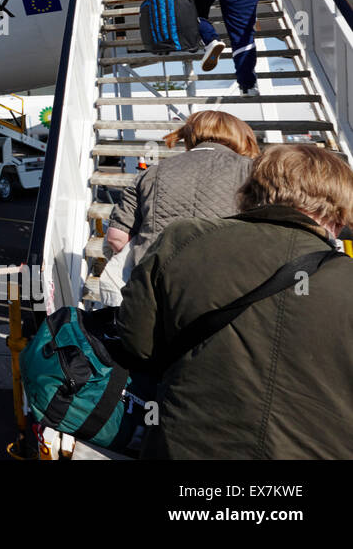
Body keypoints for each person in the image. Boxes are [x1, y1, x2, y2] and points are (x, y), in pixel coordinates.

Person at [117, 143, 353, 459]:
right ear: (337, 211)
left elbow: (137, 343)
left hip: (185, 448)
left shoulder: (184, 239)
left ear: (251, 190)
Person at [106, 111, 259, 265]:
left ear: (190, 135)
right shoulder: (252, 170)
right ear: (240, 136)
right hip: (231, 276)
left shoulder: (152, 173)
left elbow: (116, 237)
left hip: (158, 280)